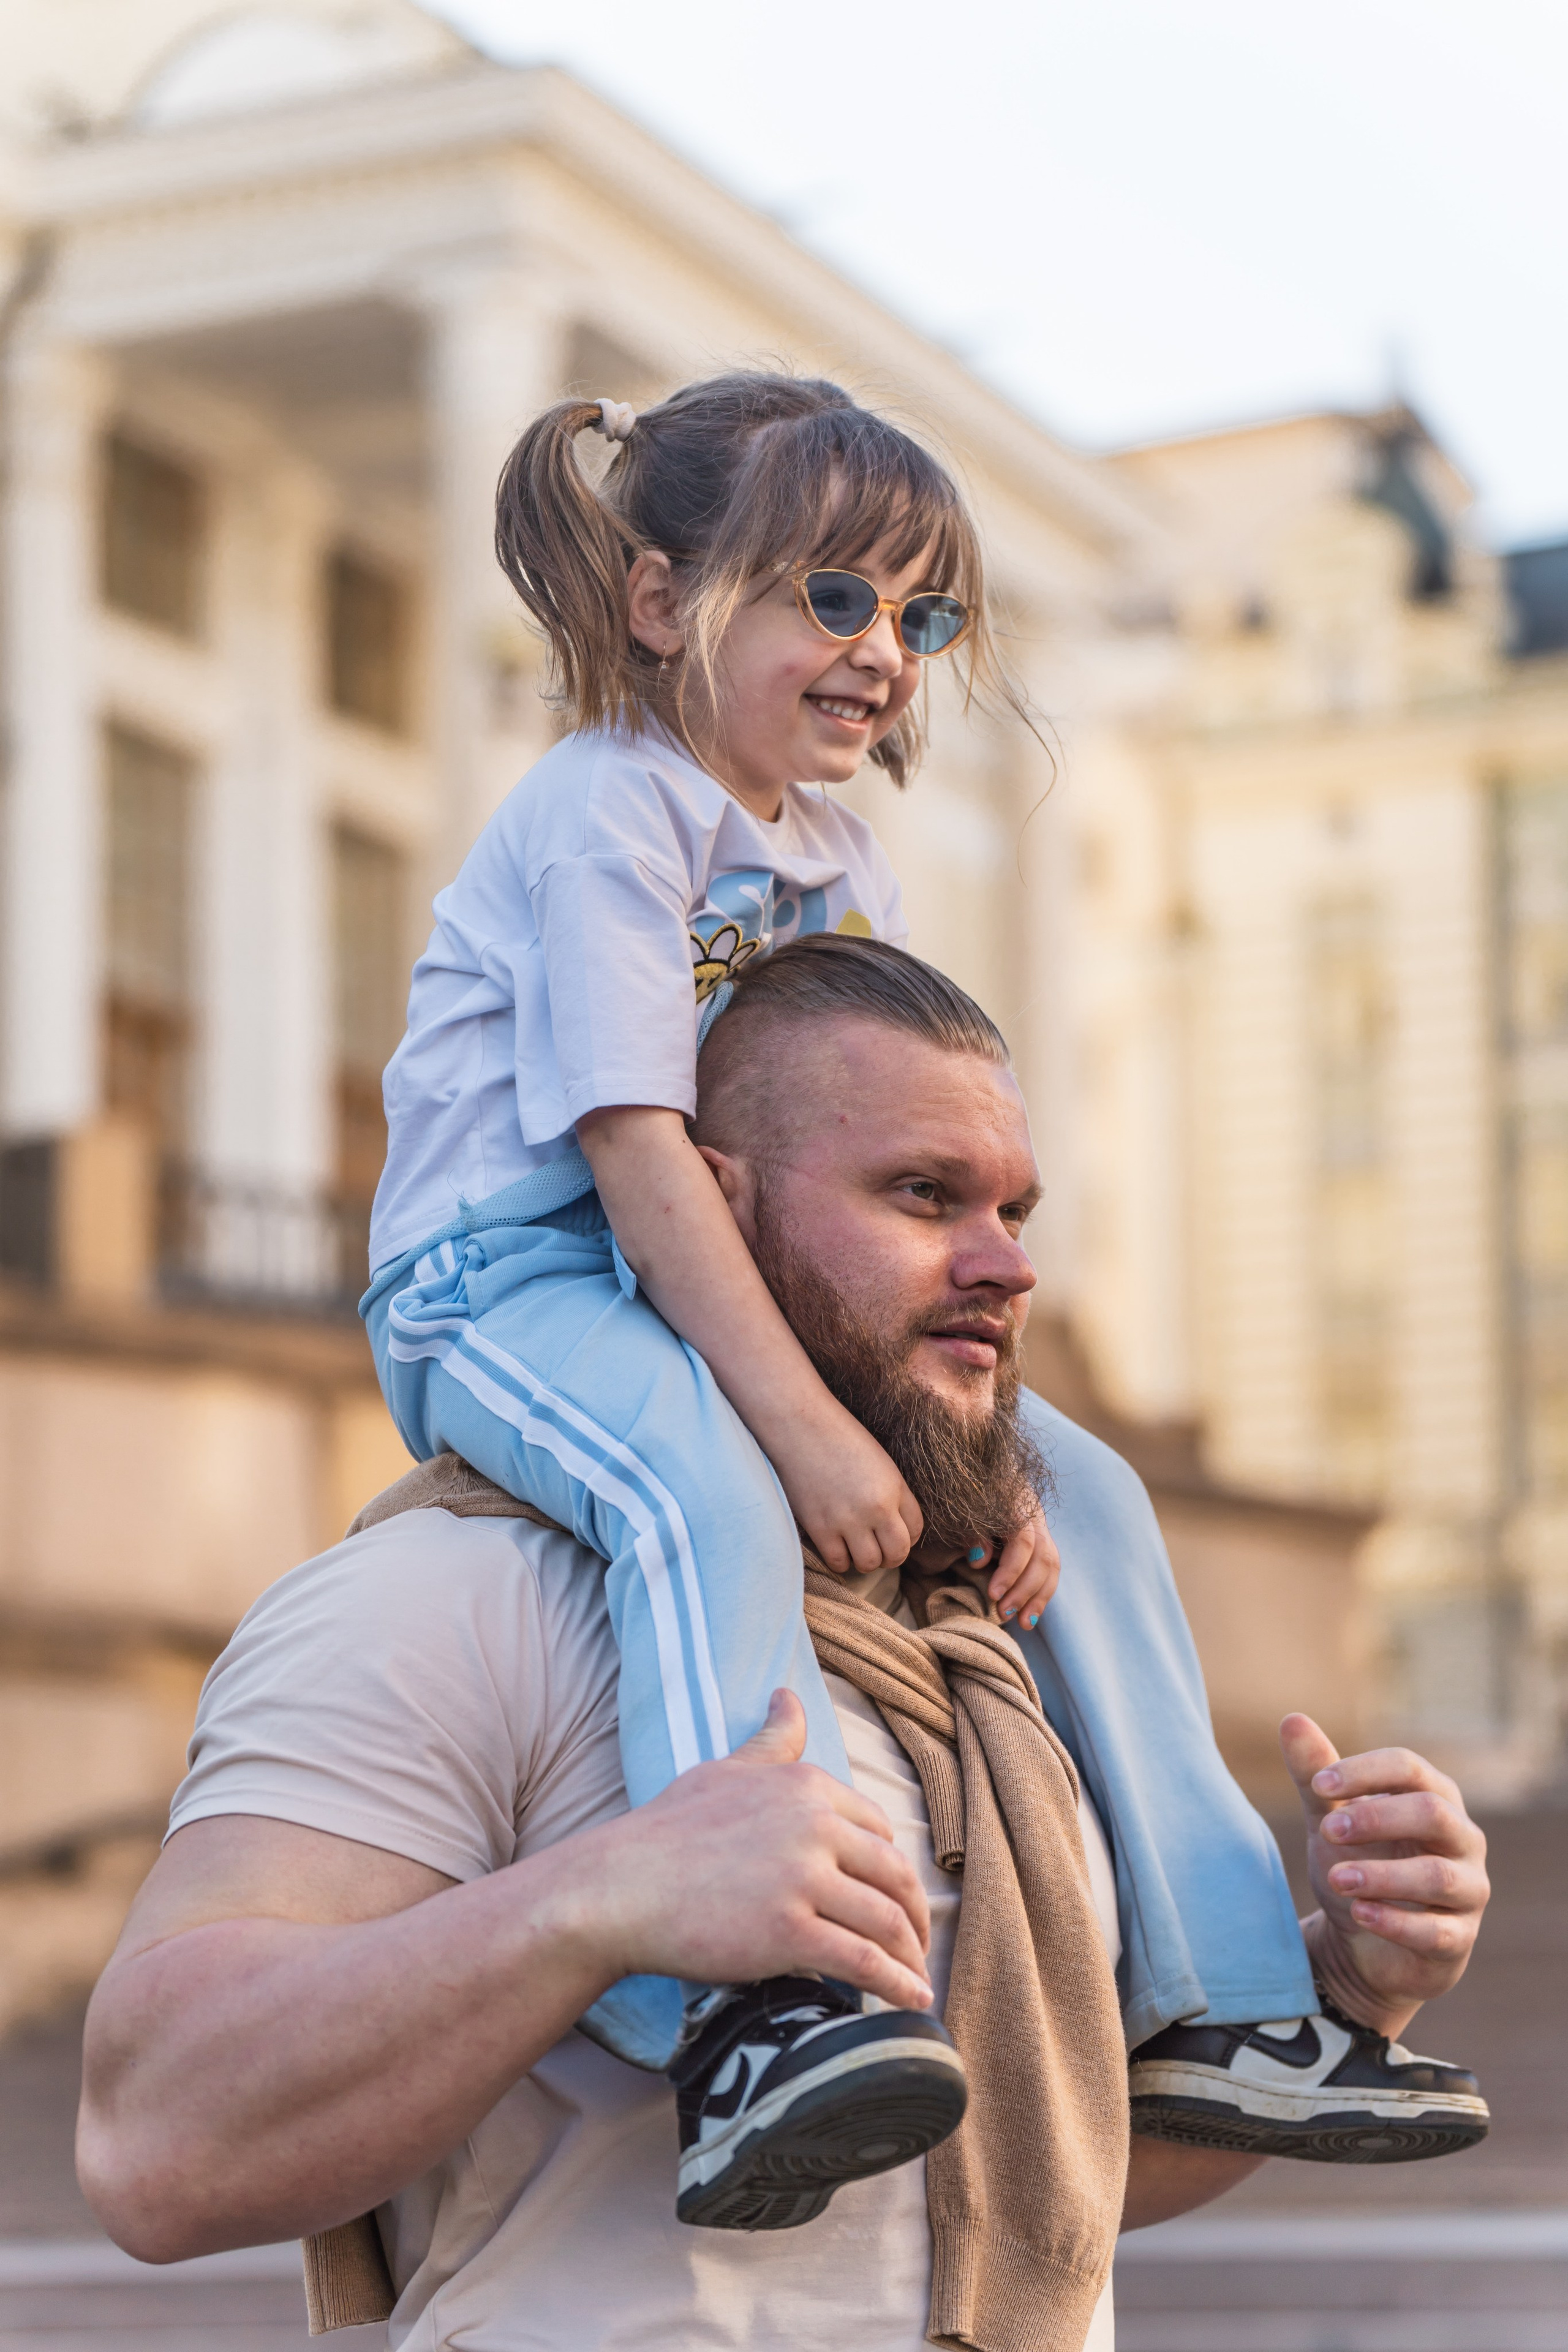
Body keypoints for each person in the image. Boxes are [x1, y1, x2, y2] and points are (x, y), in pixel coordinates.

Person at [357, 374, 1481, 2222]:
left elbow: (819, 1150)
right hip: (509, 1280)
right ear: (660, 604)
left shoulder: (838, 859)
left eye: (920, 614)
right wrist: (801, 1425)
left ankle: (1229, 2000)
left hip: (696, 1278)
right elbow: (641, 1161)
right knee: (699, 1492)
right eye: (836, 598)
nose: (886, 651)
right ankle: (752, 1997)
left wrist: (977, 1462)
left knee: (1094, 1491)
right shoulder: (603, 814)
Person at [77, 944, 1492, 2352]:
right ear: (702, 1211)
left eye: (1012, 1207)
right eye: (921, 1196)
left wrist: (1347, 1984)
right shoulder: (456, 1593)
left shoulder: (990, 1648)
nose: (1005, 1265)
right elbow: (157, 2144)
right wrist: (596, 1904)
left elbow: (1023, 2186)